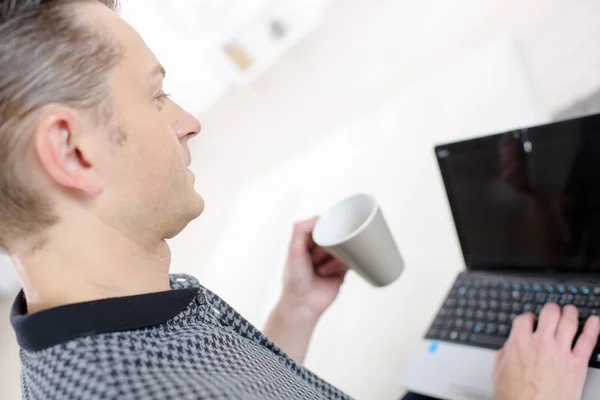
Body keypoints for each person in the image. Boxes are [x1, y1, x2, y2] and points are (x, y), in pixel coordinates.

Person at [1, 1, 599, 399]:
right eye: (156, 96)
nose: (188, 122)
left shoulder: (113, 304)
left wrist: (295, 312)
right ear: (72, 151)